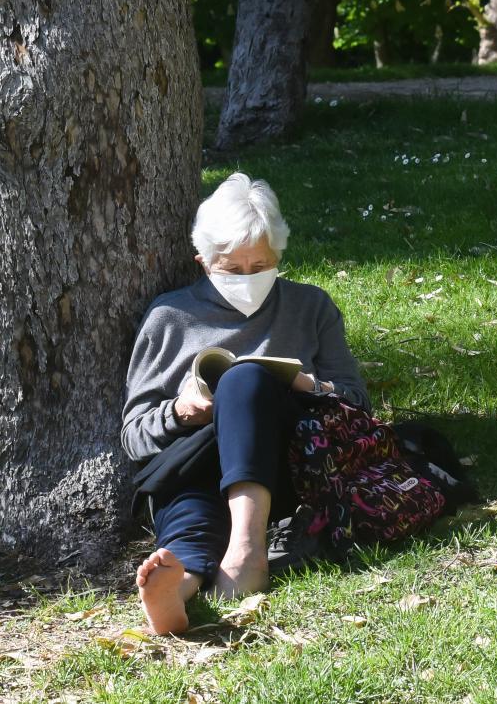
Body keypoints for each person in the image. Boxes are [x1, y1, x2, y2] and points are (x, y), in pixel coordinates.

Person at [120, 172, 371, 636]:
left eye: (262, 266)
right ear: (203, 263)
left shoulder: (310, 306)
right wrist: (182, 411)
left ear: (279, 257)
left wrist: (305, 384)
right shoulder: (169, 317)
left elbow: (358, 404)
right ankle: (178, 587)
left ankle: (246, 552)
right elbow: (134, 437)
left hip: (286, 464)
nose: (249, 279)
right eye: (233, 270)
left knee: (246, 379)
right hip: (197, 463)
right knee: (191, 517)